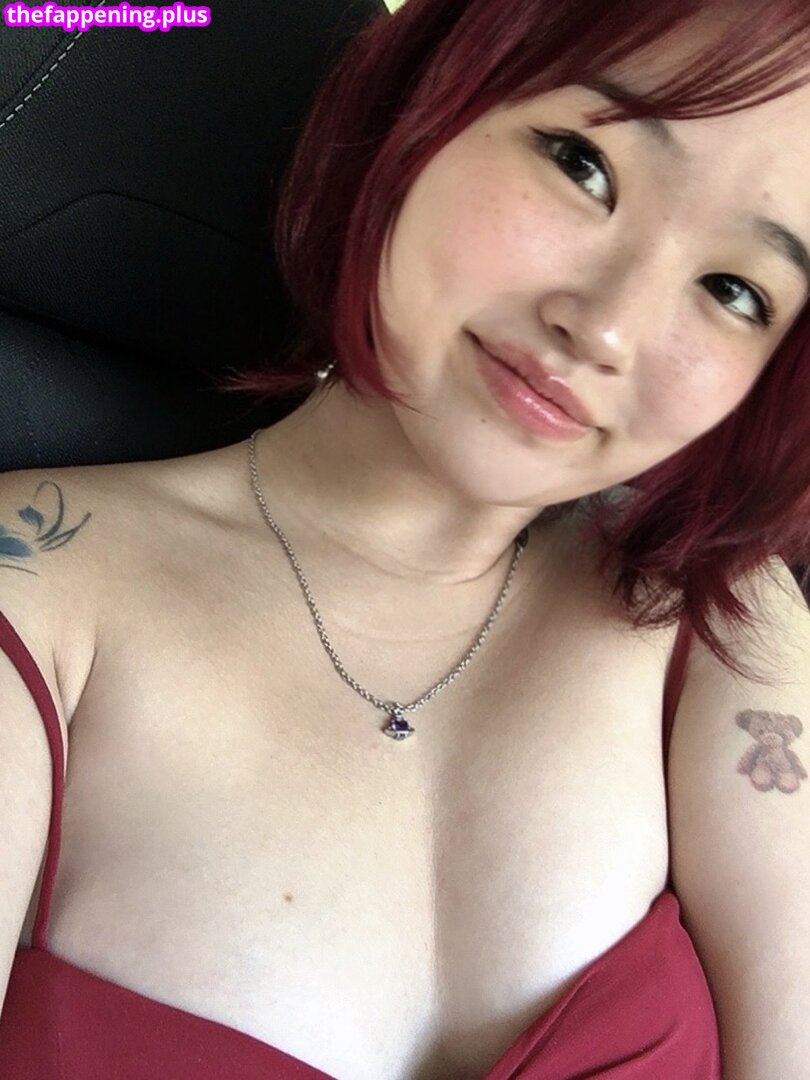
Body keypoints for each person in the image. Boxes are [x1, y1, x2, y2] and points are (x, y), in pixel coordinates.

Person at [1, 0, 810, 1077]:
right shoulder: (36, 592)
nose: (607, 327)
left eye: (734, 290)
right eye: (584, 166)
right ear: (432, 104)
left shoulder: (723, 621)